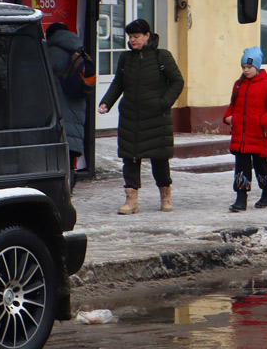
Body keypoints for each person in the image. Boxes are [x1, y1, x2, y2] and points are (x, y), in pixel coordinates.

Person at [98, 18, 184, 214]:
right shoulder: (125, 58)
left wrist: (163, 103)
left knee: (159, 159)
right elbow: (118, 84)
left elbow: (177, 82)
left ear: (147, 36)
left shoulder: (162, 56)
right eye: (130, 37)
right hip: (130, 117)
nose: (132, 40)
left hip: (156, 117)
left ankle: (165, 196)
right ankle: (131, 200)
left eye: (136, 36)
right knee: (130, 158)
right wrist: (106, 102)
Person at [224, 46, 267, 212]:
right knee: (241, 166)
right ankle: (241, 198)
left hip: (258, 134)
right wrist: (229, 117)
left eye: (249, 67)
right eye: (244, 67)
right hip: (240, 135)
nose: (246, 70)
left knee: (260, 164)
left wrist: (262, 121)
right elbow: (233, 105)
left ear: (257, 67)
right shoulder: (238, 85)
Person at [45, 22, 90, 187]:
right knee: (70, 154)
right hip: (77, 110)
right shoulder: (79, 51)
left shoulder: (50, 53)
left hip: (57, 111)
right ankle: (69, 187)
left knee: (54, 156)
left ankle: (60, 192)